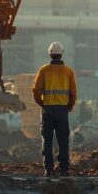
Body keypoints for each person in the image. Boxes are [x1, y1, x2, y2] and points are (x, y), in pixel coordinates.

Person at [32, 42, 77, 177]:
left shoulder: (43, 70)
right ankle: (64, 169)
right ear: (62, 53)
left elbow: (36, 90)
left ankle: (49, 170)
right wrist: (69, 106)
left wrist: (42, 104)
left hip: (48, 110)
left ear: (50, 53)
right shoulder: (68, 71)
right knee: (63, 140)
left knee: (47, 140)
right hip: (62, 110)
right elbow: (73, 93)